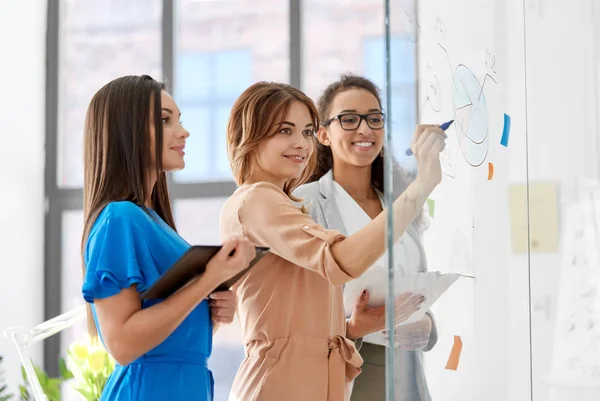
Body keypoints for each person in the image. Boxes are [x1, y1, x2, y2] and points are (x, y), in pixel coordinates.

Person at [220, 81, 446, 401]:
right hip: (283, 385)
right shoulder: (257, 200)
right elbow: (341, 261)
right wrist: (423, 183)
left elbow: (308, 317)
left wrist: (356, 327)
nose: (301, 143)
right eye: (285, 130)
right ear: (249, 135)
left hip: (324, 382)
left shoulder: (284, 205)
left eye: (306, 132)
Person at [80, 75, 256, 401]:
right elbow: (122, 345)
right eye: (164, 120)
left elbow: (168, 336)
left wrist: (213, 312)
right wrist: (207, 281)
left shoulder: (153, 223)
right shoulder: (119, 219)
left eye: (179, 120)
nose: (183, 131)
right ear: (126, 131)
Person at [294, 74, 436, 401]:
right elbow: (298, 305)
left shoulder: (400, 202)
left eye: (374, 118)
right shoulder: (307, 201)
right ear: (324, 135)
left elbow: (417, 283)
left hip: (409, 375)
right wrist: (353, 328)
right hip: (350, 371)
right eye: (349, 119)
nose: (364, 129)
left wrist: (428, 325)